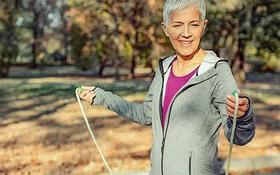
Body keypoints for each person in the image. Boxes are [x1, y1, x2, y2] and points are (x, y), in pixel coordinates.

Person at [78, 0, 255, 174]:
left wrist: (242, 117)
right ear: (165, 29)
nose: (186, 33)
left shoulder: (217, 71)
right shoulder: (164, 69)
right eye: (177, 25)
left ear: (203, 26)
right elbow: (146, 115)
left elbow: (239, 137)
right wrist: (101, 97)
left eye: (193, 24)